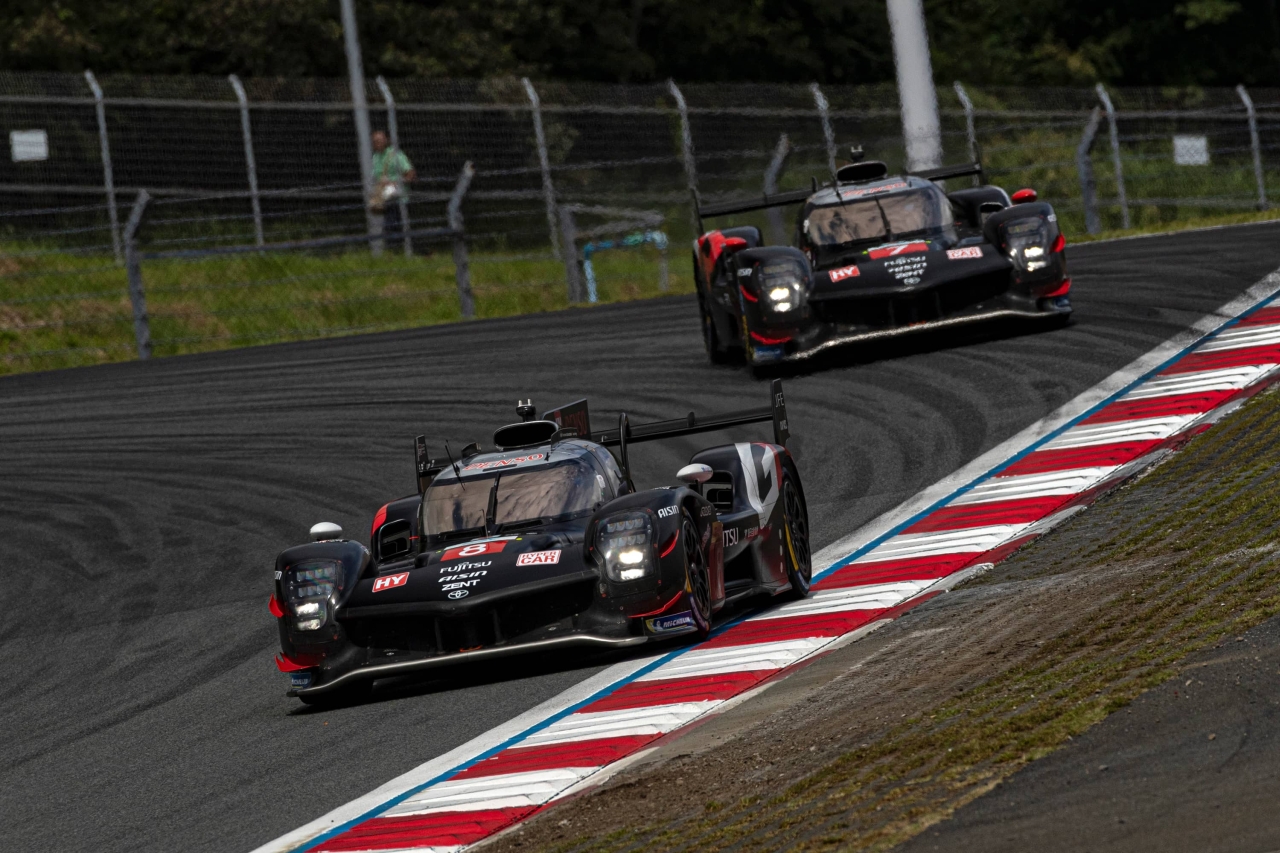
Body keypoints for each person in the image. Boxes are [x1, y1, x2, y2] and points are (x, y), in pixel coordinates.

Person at [370, 130, 416, 247]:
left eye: (380, 141)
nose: (377, 143)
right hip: (385, 198)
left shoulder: (395, 155)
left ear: (386, 141)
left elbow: (410, 174)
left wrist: (394, 182)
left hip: (399, 197)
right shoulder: (375, 157)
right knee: (389, 226)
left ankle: (401, 249)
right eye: (375, 141)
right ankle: (396, 250)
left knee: (395, 226)